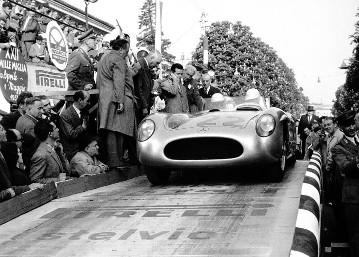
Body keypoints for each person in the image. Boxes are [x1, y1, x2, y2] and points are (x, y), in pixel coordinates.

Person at [97, 36, 137, 169]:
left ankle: (114, 161)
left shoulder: (105, 57)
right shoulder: (118, 59)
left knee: (111, 131)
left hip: (105, 98)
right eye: (126, 50)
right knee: (118, 131)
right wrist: (120, 101)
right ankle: (116, 161)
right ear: (120, 49)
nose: (127, 53)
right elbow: (119, 81)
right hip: (115, 98)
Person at [331, 110, 359, 256]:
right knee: (355, 237)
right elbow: (346, 168)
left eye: (353, 123)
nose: (352, 127)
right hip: (353, 198)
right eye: (347, 125)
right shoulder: (338, 148)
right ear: (341, 128)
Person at [30, 119, 70, 184]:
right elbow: (35, 180)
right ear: (50, 133)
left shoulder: (55, 148)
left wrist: (61, 153)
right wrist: (57, 180)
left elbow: (67, 171)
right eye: (55, 128)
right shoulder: (41, 155)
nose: (58, 129)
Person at [59, 90, 90, 161]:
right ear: (80, 100)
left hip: (83, 147)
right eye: (87, 101)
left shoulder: (85, 112)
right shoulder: (65, 115)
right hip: (72, 151)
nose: (89, 103)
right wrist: (82, 128)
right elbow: (71, 134)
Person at [15, 97, 44, 171]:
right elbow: (34, 148)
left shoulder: (21, 118)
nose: (42, 111)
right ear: (29, 109)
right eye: (39, 108)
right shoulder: (31, 125)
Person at [133, 49, 162, 121]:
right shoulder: (140, 66)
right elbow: (138, 89)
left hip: (144, 107)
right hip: (140, 108)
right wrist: (144, 107)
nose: (157, 65)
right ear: (151, 58)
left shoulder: (147, 67)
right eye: (157, 63)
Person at [323, 116, 343, 204]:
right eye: (325, 125)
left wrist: (329, 165)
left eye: (329, 124)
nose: (327, 127)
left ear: (335, 124)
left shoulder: (340, 136)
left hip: (339, 170)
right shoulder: (329, 137)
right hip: (333, 170)